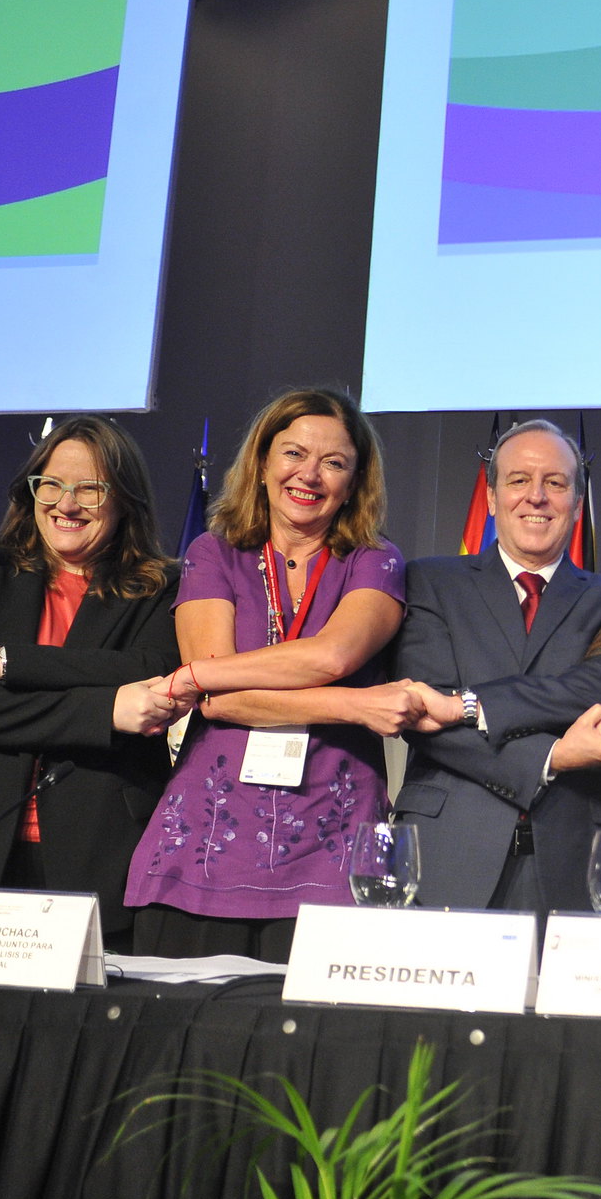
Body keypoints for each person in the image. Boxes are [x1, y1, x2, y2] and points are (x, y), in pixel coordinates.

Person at [124, 388, 412, 961]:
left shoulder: (375, 559)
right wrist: (356, 707)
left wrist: (204, 676)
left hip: (334, 839)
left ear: (355, 482)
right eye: (294, 454)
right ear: (261, 463)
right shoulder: (213, 553)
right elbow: (219, 699)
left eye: (334, 463)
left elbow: (332, 657)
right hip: (207, 840)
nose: (310, 474)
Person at [0, 416, 183, 951]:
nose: (67, 503)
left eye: (90, 489)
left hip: (98, 842)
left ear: (125, 500)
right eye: (51, 484)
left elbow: (149, 672)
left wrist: (5, 662)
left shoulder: (162, 587)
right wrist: (104, 712)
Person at [392, 419, 601, 920]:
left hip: (578, 852)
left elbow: (599, 689)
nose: (537, 497)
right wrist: (553, 754)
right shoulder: (430, 582)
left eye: (555, 482)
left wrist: (470, 705)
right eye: (518, 480)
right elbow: (424, 715)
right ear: (490, 498)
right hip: (447, 849)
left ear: (576, 502)